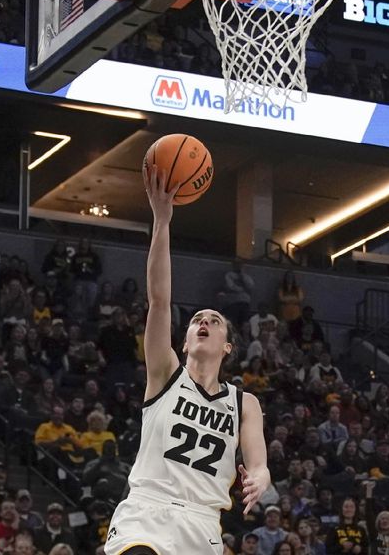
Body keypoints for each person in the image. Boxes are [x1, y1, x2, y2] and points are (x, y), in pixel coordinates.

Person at [104, 163, 269, 555]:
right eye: (197, 320)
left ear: (228, 347)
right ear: (184, 341)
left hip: (202, 525)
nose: (204, 323)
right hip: (147, 511)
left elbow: (258, 461)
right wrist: (162, 221)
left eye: (214, 321)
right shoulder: (165, 374)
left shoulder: (245, 403)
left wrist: (260, 476)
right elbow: (160, 299)